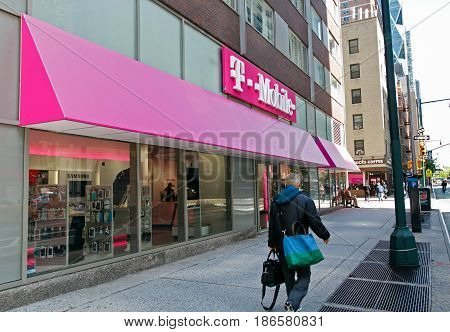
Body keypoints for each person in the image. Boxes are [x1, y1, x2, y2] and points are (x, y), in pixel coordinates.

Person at [268, 174, 330, 312]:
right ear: (298, 185)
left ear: (286, 184)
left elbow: (272, 225)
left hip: (282, 244)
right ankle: (292, 302)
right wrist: (324, 235)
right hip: (300, 244)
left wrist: (271, 243)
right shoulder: (306, 200)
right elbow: (315, 221)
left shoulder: (276, 201)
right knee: (304, 275)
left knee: (288, 275)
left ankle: (292, 305)